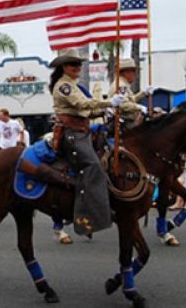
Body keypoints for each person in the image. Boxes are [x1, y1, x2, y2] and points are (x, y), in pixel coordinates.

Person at [49, 49, 118, 235]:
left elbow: (85, 111)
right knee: (92, 165)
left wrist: (104, 112)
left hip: (82, 131)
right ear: (64, 67)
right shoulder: (64, 86)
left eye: (79, 64)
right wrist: (109, 102)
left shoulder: (73, 85)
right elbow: (82, 104)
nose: (77, 67)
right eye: (73, 64)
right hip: (72, 134)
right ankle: (85, 213)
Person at [108, 58, 154, 126]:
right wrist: (139, 107)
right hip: (124, 124)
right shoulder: (121, 85)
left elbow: (130, 99)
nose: (135, 74)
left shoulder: (123, 84)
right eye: (133, 71)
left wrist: (144, 93)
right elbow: (123, 104)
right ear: (125, 72)